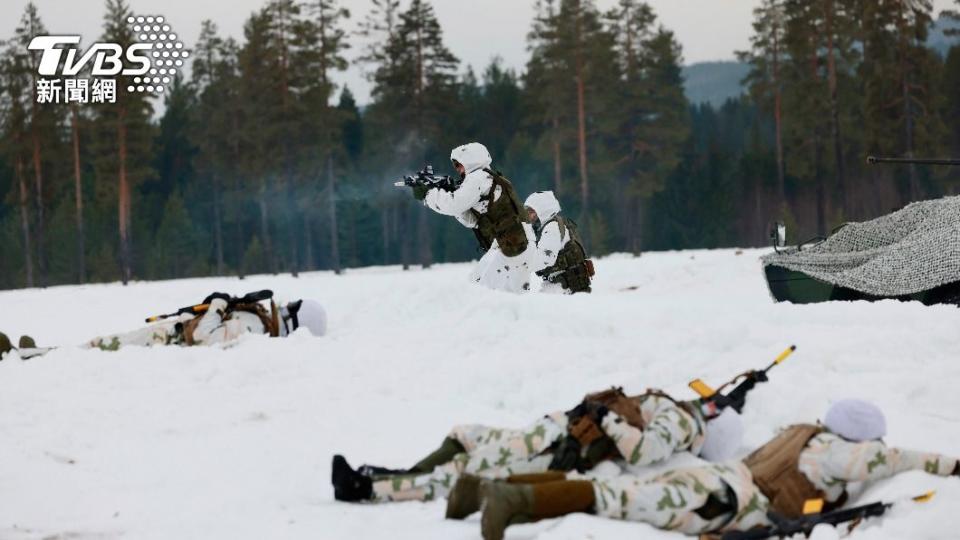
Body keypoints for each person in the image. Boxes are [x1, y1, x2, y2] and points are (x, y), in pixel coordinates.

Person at [478, 399, 960, 540]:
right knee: (616, 500)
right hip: (726, 502)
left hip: (720, 482)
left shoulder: (801, 430)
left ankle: (494, 488)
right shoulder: (840, 452)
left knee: (618, 491)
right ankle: (512, 500)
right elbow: (898, 460)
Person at [330, 386, 744, 513]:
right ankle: (397, 474)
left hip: (555, 450)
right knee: (465, 435)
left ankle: (367, 489)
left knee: (463, 470)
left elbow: (644, 451)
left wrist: (604, 417)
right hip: (552, 432)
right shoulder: (663, 405)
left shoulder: (681, 419)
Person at [418, 142, 534, 293]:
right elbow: (473, 220)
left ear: (470, 160)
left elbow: (454, 204)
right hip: (517, 243)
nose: (458, 169)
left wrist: (428, 195)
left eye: (459, 164)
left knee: (479, 292)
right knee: (506, 296)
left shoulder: (478, 178)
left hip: (511, 246)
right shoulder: (490, 177)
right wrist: (450, 192)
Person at [85, 291, 327, 350]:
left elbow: (205, 337)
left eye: (292, 308)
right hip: (169, 337)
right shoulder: (260, 326)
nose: (285, 307)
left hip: (165, 342)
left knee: (103, 347)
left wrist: (218, 306)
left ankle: (51, 355)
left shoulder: (255, 328)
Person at [524, 191, 593, 294]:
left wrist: (521, 266)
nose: (529, 215)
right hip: (562, 285)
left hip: (564, 289)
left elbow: (545, 259)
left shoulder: (552, 228)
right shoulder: (551, 225)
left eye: (531, 211)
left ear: (543, 210)